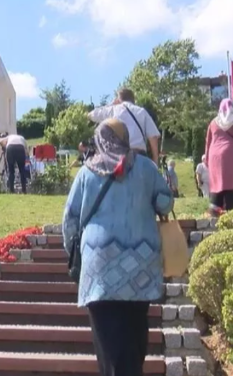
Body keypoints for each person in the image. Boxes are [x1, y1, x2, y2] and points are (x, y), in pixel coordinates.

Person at [62, 118, 173, 376]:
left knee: (108, 348)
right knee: (135, 342)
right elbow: (166, 203)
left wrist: (75, 254)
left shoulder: (86, 173)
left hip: (98, 270)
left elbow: (69, 221)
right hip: (140, 268)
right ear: (126, 139)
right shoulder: (145, 168)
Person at [88, 88, 161, 164]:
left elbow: (91, 115)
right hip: (139, 157)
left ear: (118, 99)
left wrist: (111, 104)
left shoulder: (113, 110)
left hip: (118, 157)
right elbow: (153, 137)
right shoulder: (142, 111)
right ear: (133, 100)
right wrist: (155, 160)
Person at [205, 99, 233, 211]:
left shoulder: (213, 123)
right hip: (231, 155)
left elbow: (207, 143)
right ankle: (231, 211)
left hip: (214, 157)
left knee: (217, 186)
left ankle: (214, 212)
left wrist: (206, 160)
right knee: (231, 185)